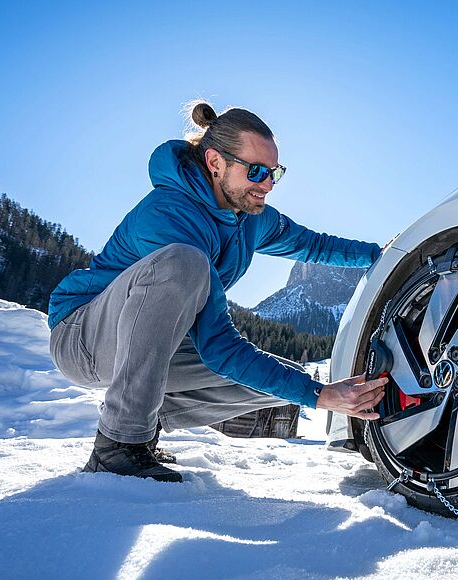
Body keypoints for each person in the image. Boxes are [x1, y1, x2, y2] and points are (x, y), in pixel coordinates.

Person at [47, 101, 388, 482]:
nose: (267, 185)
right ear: (215, 163)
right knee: (184, 263)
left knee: (287, 381)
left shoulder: (250, 216)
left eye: (275, 173)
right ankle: (118, 444)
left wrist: (386, 256)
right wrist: (324, 397)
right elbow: (219, 346)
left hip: (154, 341)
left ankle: (148, 420)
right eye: (256, 171)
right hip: (84, 338)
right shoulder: (167, 215)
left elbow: (316, 246)